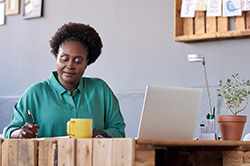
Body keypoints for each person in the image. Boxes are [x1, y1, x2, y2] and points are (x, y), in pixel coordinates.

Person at [4, 22, 126, 139]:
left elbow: (118, 131)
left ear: (87, 62)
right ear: (56, 57)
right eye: (64, 59)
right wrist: (20, 133)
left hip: (94, 159)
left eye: (78, 61)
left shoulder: (100, 89)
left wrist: (94, 135)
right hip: (49, 159)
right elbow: (9, 131)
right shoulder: (35, 93)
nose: (70, 65)